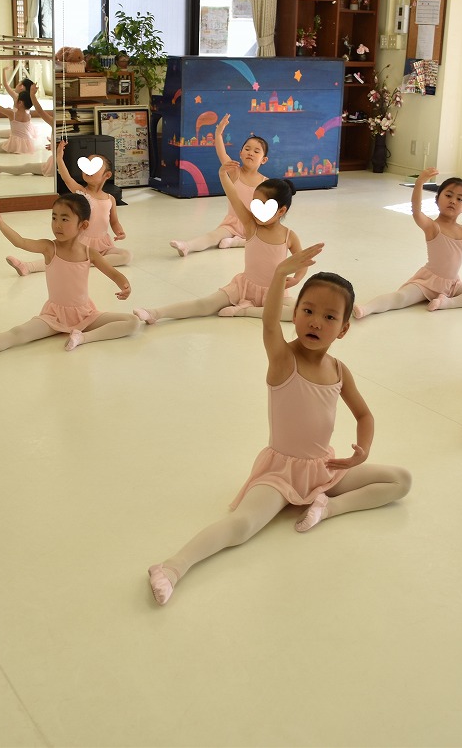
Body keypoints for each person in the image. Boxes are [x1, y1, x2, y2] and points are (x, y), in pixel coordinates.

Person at [147, 244, 413, 605]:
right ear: (296, 312)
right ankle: (172, 567)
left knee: (401, 480)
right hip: (281, 473)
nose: (316, 321)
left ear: (344, 329)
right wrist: (279, 275)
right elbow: (269, 323)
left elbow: (364, 415)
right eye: (308, 311)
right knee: (242, 526)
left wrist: (361, 452)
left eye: (329, 317)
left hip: (324, 468)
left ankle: (327, 508)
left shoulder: (339, 370)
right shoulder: (283, 359)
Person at [0, 195, 141, 361]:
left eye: (65, 219)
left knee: (132, 322)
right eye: (54, 218)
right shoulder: (49, 247)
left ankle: (83, 338)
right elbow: (20, 242)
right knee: (18, 333)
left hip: (85, 314)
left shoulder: (91, 253)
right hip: (53, 316)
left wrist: (125, 285)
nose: (57, 224)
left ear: (83, 225)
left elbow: (113, 273)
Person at [135, 147, 306, 323]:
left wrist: (297, 278)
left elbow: (303, 262)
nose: (255, 210)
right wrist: (223, 174)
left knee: (296, 313)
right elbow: (234, 197)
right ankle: (155, 313)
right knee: (205, 305)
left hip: (275, 291)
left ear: (281, 211)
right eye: (254, 204)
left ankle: (246, 311)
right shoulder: (250, 225)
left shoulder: (289, 236)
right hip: (244, 286)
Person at [354, 168, 462, 317]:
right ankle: (366, 309)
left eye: (460, 199)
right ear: (437, 199)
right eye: (448, 195)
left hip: (452, 285)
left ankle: (447, 303)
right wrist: (419, 183)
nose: (453, 201)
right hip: (427, 283)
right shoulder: (432, 227)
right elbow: (416, 212)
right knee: (401, 297)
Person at [6, 141, 130, 275]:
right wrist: (59, 157)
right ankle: (28, 266)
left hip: (103, 245)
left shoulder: (110, 199)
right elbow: (67, 178)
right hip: (82, 243)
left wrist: (119, 232)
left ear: (107, 175)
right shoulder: (82, 193)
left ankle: (88, 262)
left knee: (126, 255)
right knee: (59, 256)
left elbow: (114, 222)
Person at [168, 116, 269, 256]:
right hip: (232, 223)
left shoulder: (266, 182)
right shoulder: (235, 171)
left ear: (264, 160)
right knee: (213, 236)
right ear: (240, 154)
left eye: (256, 151)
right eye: (247, 149)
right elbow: (222, 153)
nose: (251, 153)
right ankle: (187, 246)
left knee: (266, 239)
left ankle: (237, 242)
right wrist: (218, 133)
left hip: (254, 224)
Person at [0, 83, 54, 175]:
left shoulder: (12, 113)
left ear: (20, 102)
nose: (14, 100)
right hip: (27, 143)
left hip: (15, 143)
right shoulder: (27, 113)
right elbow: (37, 110)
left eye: (16, 99)